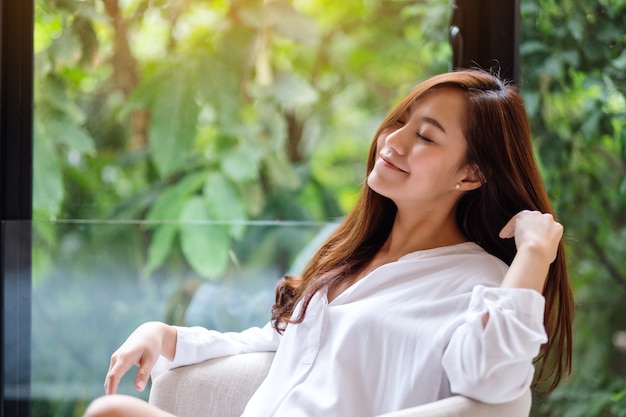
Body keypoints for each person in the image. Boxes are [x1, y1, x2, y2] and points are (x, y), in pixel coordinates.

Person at [84, 68, 573, 417]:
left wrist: (533, 255)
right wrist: (165, 335)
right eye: (400, 121)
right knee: (111, 410)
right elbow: (285, 343)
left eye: (425, 137)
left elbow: (494, 383)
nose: (393, 141)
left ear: (471, 174)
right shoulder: (355, 256)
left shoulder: (478, 282)